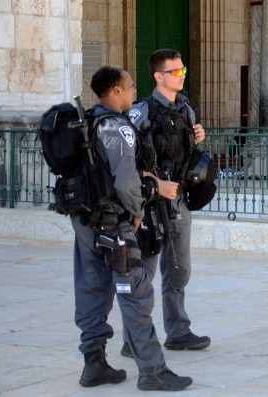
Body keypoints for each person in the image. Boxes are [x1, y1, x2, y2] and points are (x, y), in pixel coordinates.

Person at [72, 65, 192, 391]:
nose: (130, 91)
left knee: (92, 289)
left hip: (86, 221)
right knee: (136, 294)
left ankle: (93, 364)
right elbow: (125, 182)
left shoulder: (86, 122)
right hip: (115, 224)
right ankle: (152, 371)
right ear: (113, 90)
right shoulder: (117, 127)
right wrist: (137, 214)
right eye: (126, 86)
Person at [127, 49, 210, 355]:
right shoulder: (141, 112)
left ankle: (178, 332)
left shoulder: (186, 109)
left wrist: (198, 137)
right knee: (143, 273)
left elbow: (183, 153)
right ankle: (134, 337)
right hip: (149, 204)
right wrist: (154, 184)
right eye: (175, 72)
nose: (181, 75)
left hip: (179, 201)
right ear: (158, 76)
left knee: (178, 269)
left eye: (182, 70)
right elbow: (126, 159)